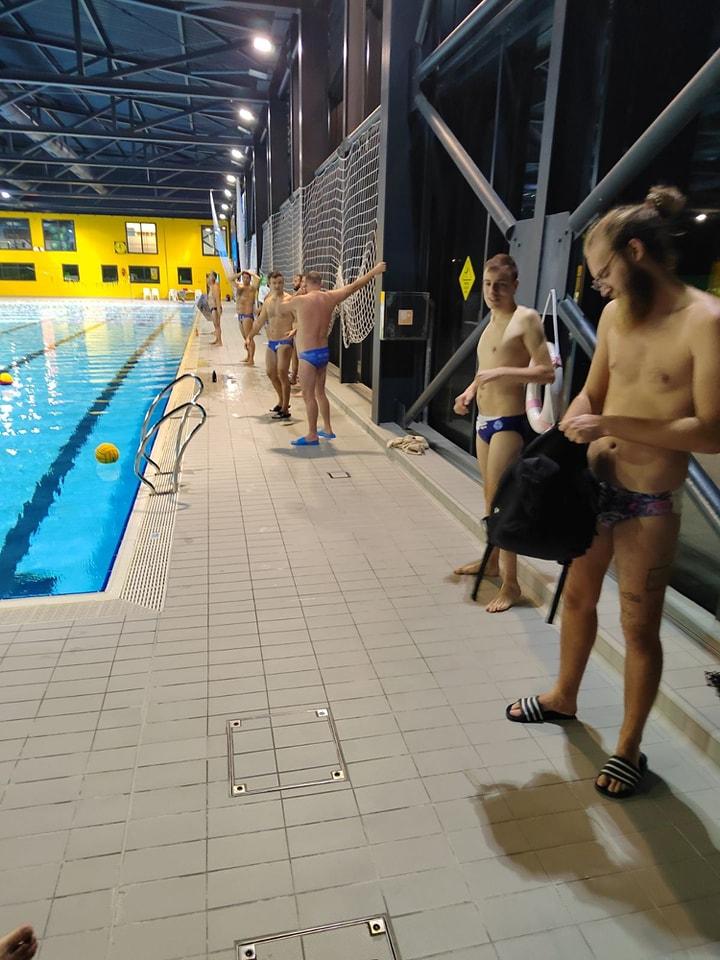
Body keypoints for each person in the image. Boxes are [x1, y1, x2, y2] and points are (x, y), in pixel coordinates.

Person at [506, 186, 720, 799]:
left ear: (635, 252)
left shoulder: (705, 322)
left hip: (648, 502)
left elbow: (710, 431)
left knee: (637, 627)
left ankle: (628, 746)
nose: (599, 286)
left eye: (603, 272)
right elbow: (593, 392)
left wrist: (613, 423)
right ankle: (564, 696)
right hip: (594, 487)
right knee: (576, 600)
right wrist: (568, 429)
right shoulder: (614, 317)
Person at [453, 254, 554, 612]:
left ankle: (512, 584)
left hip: (508, 423)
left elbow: (546, 372)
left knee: (502, 503)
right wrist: (468, 392)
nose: (493, 292)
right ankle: (493, 561)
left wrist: (502, 374)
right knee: (489, 499)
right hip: (484, 419)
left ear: (515, 286)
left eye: (501, 286)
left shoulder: (526, 318)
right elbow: (485, 369)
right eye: (487, 284)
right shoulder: (491, 321)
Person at [277, 263, 387, 446]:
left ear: (306, 283)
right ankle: (327, 429)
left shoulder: (300, 300)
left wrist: (297, 293)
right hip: (323, 353)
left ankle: (312, 435)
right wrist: (374, 271)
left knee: (308, 396)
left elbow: (279, 308)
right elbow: (355, 286)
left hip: (307, 356)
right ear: (320, 283)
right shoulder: (330, 297)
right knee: (320, 392)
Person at [246, 271, 294, 419]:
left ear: (283, 283)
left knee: (282, 373)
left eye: (280, 283)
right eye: (274, 283)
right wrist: (249, 337)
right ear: (269, 284)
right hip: (272, 341)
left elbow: (299, 319)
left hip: (285, 340)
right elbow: (260, 321)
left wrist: (295, 329)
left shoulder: (290, 300)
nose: (277, 286)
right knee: (270, 373)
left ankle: (285, 410)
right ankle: (281, 401)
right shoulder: (268, 302)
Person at [231, 269, 260, 365]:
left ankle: (251, 359)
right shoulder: (239, 287)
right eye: (244, 278)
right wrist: (240, 272)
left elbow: (258, 278)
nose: (245, 279)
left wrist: (251, 273)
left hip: (247, 316)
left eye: (247, 278)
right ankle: (248, 356)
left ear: (250, 279)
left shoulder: (252, 288)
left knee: (249, 338)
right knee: (245, 338)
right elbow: (230, 279)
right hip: (240, 315)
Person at [289, 273, 306, 388]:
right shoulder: (296, 296)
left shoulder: (305, 297)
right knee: (294, 355)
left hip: (301, 329)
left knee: (301, 356)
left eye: (297, 281)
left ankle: (302, 382)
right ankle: (294, 376)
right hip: (295, 328)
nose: (294, 283)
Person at [207, 271, 223, 346]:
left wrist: (219, 311)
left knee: (217, 326)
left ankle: (220, 342)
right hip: (213, 308)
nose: (208, 277)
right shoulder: (211, 286)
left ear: (213, 277)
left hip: (215, 309)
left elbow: (217, 299)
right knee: (216, 326)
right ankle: (217, 339)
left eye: (210, 276)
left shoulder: (215, 287)